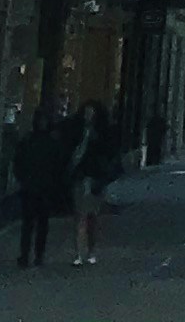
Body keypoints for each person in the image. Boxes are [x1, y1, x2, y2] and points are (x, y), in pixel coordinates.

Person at [11, 111, 66, 271]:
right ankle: (28, 255)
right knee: (31, 224)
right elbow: (18, 162)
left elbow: (57, 166)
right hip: (34, 188)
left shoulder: (43, 142)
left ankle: (36, 255)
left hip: (40, 188)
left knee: (38, 224)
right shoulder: (34, 141)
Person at [68, 108, 111, 267]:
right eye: (87, 113)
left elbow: (105, 155)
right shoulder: (77, 133)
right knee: (80, 217)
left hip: (94, 180)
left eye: (91, 113)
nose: (88, 117)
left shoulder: (100, 135)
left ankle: (91, 251)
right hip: (81, 179)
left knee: (92, 218)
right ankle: (79, 253)